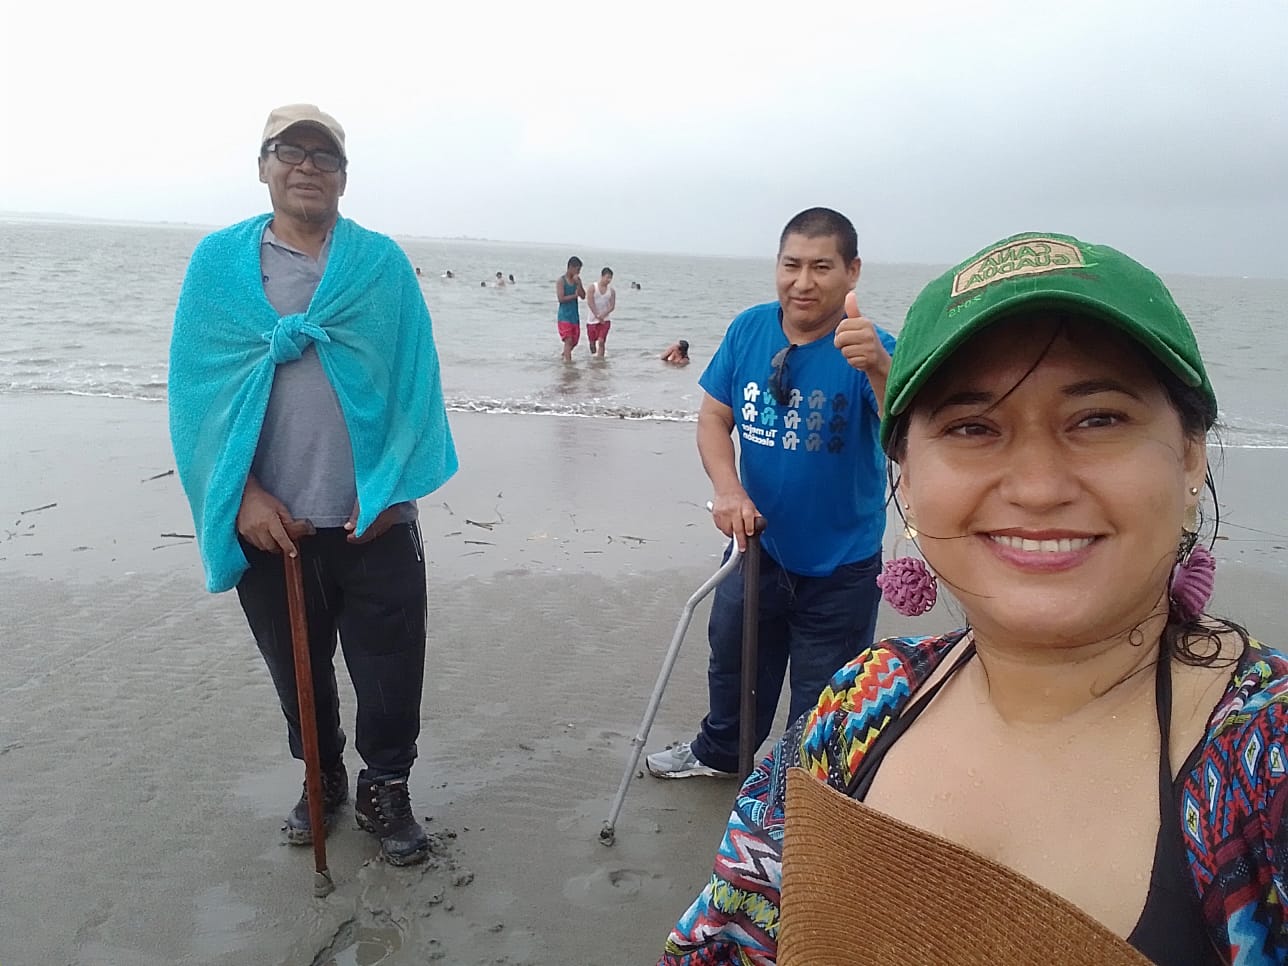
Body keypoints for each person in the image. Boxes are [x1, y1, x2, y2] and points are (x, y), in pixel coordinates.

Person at [660, 232, 1285, 964]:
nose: (1038, 488)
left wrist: (878, 367)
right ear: (909, 478)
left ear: (1190, 456)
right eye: (971, 427)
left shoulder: (1263, 766)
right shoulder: (857, 707)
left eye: (1098, 419)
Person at [168, 104, 458, 868]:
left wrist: (393, 484)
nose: (307, 166)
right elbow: (195, 395)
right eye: (289, 151)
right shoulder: (219, 264)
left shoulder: (379, 264)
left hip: (375, 519)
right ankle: (321, 776)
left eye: (323, 155)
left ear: (343, 175)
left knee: (391, 672)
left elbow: (415, 383)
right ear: (263, 166)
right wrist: (243, 497)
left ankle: (385, 787)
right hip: (273, 527)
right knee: (296, 672)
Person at [646, 207, 895, 781]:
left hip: (841, 564)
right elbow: (714, 418)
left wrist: (882, 370)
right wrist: (728, 491)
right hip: (754, 547)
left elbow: (908, 441)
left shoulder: (872, 347)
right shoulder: (749, 329)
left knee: (824, 693)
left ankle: (799, 790)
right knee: (733, 661)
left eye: (821, 267)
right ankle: (721, 754)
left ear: (852, 271)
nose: (803, 282)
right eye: (791, 265)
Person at [555, 256, 586, 362]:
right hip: (564, 316)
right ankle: (568, 364)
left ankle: (563, 356)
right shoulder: (561, 281)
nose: (578, 272)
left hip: (574, 316)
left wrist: (579, 284)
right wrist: (574, 296)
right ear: (570, 267)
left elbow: (583, 296)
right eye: (577, 269)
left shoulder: (577, 281)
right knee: (568, 340)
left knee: (574, 342)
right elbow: (561, 298)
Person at [586, 267, 616, 358]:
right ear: (602, 276)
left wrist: (603, 315)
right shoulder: (592, 287)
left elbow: (612, 306)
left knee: (601, 341)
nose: (609, 280)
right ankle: (594, 359)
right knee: (592, 344)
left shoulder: (611, 291)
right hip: (592, 320)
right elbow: (590, 302)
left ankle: (600, 360)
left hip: (605, 320)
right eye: (607, 277)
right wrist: (597, 315)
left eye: (610, 278)